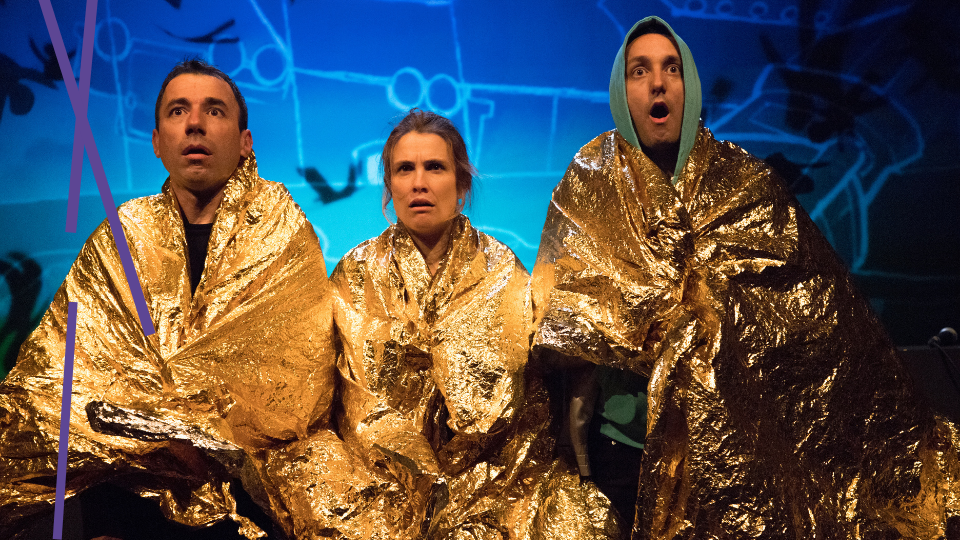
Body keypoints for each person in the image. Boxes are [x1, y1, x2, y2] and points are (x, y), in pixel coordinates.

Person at [531, 16, 960, 539]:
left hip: (739, 448)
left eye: (671, 69)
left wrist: (706, 316)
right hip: (624, 444)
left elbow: (814, 314)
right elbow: (558, 313)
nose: (658, 83)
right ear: (622, 92)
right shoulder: (591, 180)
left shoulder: (745, 182)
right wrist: (641, 320)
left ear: (690, 85)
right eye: (639, 71)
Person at [0, 59, 337, 539]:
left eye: (214, 111)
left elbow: (299, 379)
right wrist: (157, 439)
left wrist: (196, 435)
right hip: (128, 482)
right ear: (157, 142)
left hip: (246, 491)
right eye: (178, 111)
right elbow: (65, 371)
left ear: (245, 141)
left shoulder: (283, 230)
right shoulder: (124, 233)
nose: (195, 124)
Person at [328, 109, 621, 539]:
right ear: (389, 185)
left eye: (435, 167)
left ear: (462, 184)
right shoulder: (356, 272)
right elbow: (352, 398)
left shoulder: (501, 270)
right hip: (381, 479)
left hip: (495, 477)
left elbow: (519, 392)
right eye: (405, 169)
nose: (419, 183)